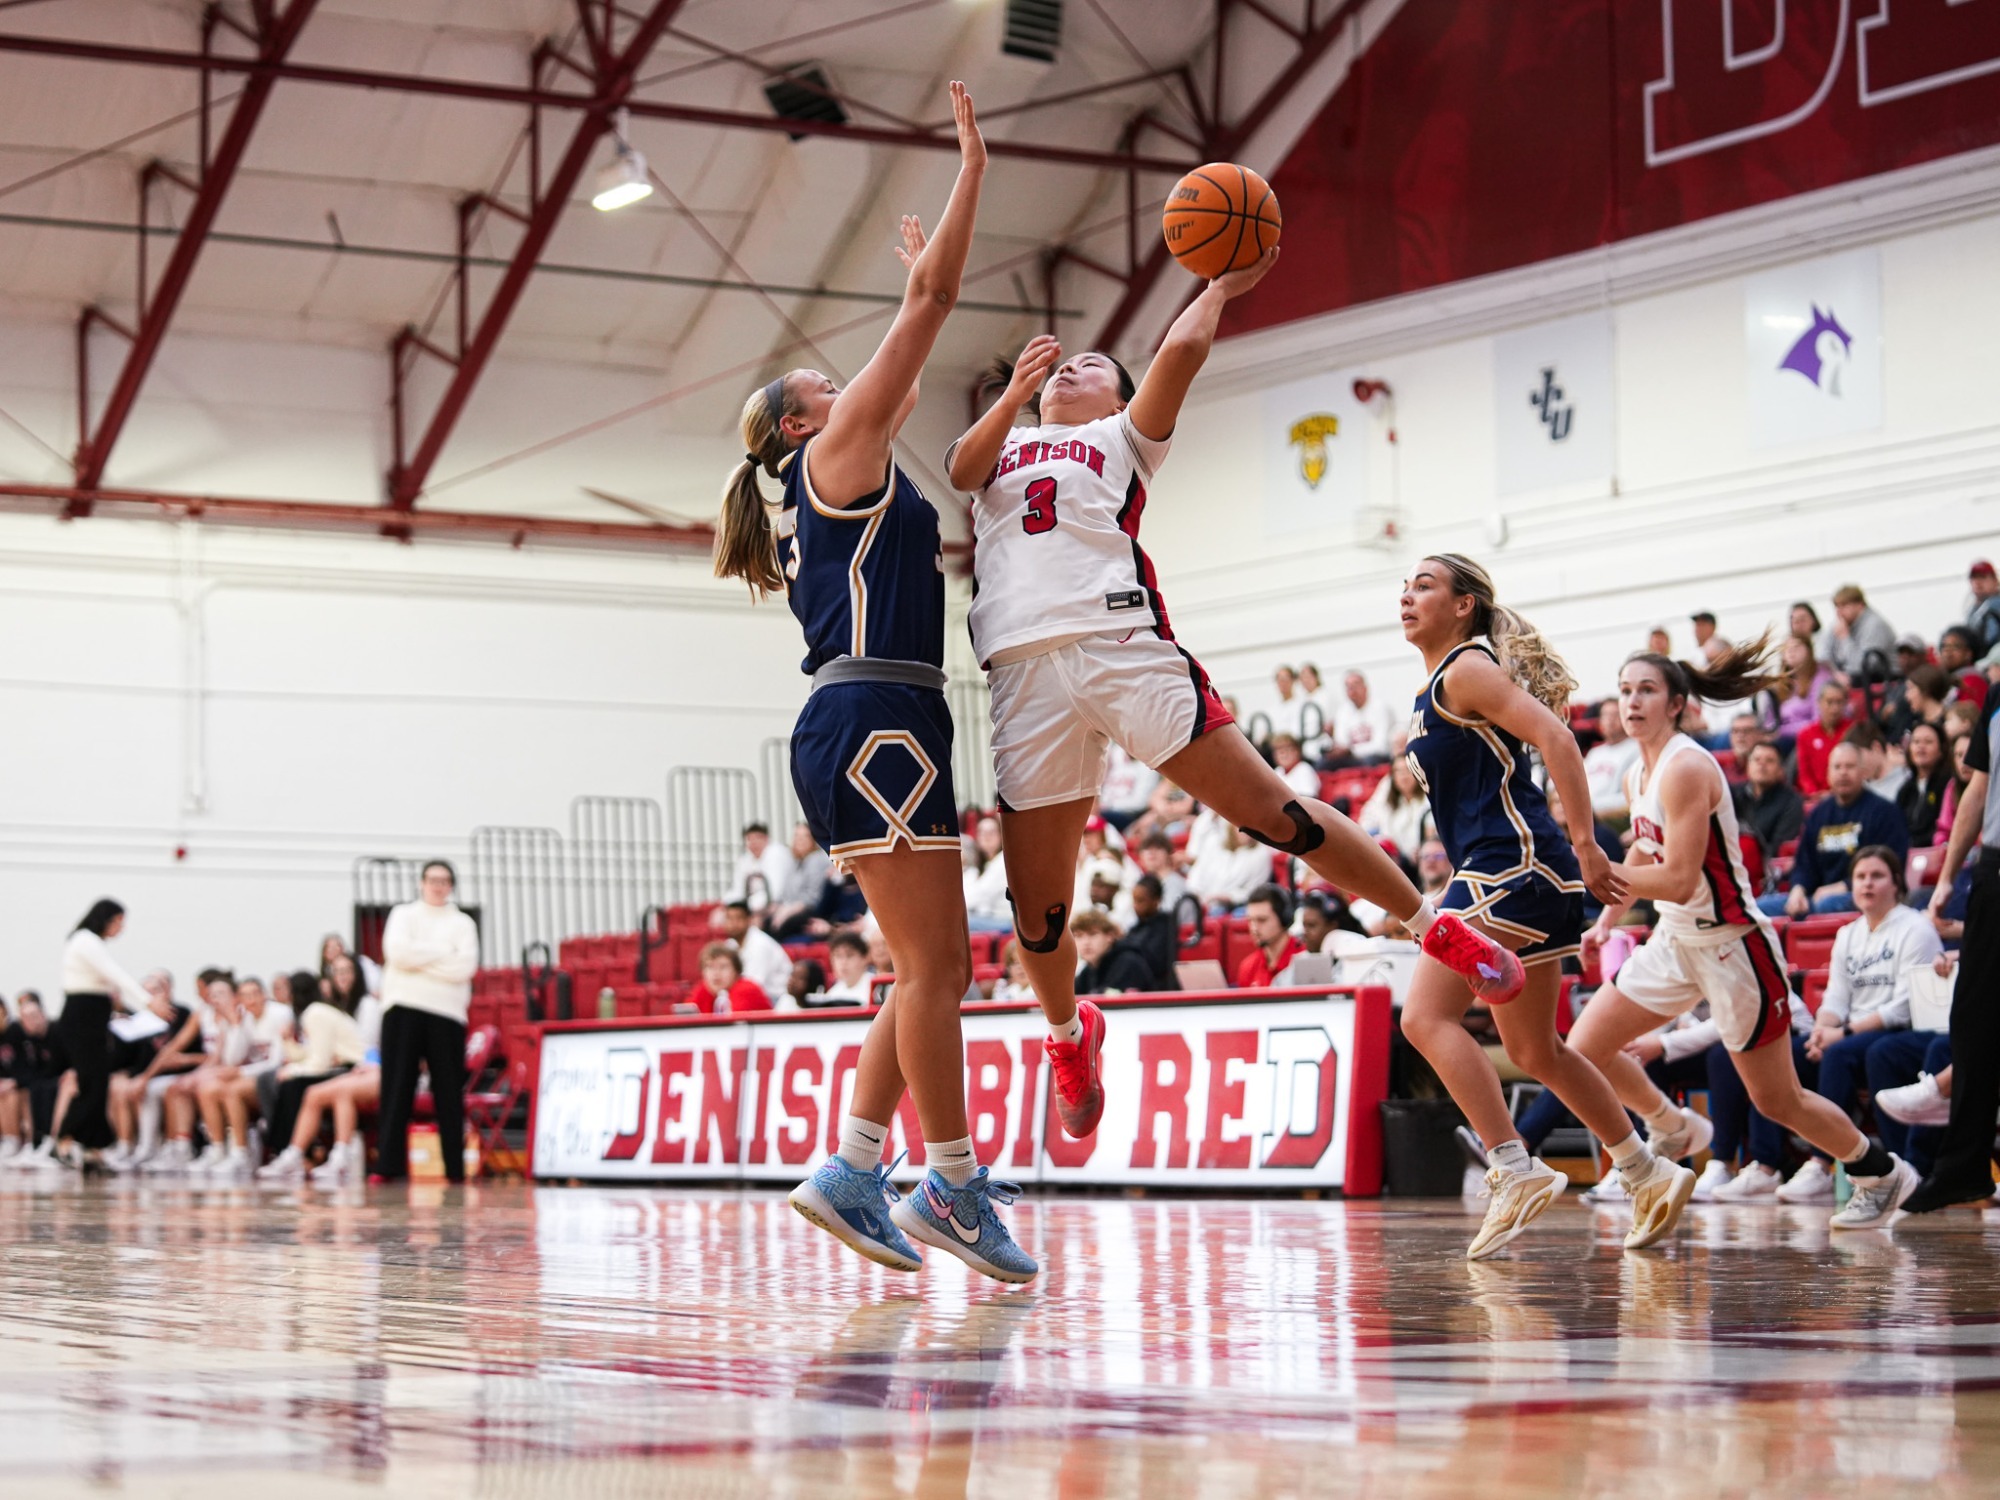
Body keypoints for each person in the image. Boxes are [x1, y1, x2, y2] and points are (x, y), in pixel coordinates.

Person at [945, 303, 1525, 1163]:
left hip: (1120, 649)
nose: (1072, 370)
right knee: (1037, 916)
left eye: (1093, 365)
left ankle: (1427, 921)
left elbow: (1180, 347)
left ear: (1119, 398)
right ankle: (1070, 1035)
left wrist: (1218, 278)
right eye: (1066, 366)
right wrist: (1015, 396)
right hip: (1024, 678)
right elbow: (959, 469)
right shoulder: (1004, 444)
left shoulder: (1122, 441)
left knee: (1277, 815)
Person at [714, 86, 1031, 1282]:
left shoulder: (829, 465)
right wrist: (970, 170)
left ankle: (855, 1165)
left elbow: (919, 321)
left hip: (872, 713)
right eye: (820, 387)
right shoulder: (838, 458)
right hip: (873, 715)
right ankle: (948, 1183)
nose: (841, 389)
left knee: (925, 968)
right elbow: (934, 303)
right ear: (802, 428)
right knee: (938, 972)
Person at [1397, 555, 1692, 1256]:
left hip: (1517, 866)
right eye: (1404, 587)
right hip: (1518, 871)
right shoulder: (1442, 681)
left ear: (1465, 605)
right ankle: (1645, 1170)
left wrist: (1589, 843)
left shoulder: (1465, 670)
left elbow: (1557, 737)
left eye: (1424, 585)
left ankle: (1512, 1166)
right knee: (1535, 1047)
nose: (1407, 597)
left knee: (1423, 1018)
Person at [1568, 644, 1920, 1230]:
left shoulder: (1686, 767)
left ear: (1677, 704)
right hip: (1676, 940)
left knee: (1776, 1100)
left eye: (1647, 690)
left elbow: (1679, 879)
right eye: (1625, 689)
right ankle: (1673, 1125)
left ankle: (1881, 1170)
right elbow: (1643, 849)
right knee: (1582, 1049)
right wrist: (1607, 916)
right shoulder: (1638, 771)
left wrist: (1601, 873)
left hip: (1733, 946)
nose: (1632, 700)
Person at [1771, 847, 1941, 1202]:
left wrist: (1841, 1034)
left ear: (1896, 883)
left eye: (1877, 876)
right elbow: (1836, 997)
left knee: (1849, 1054)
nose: (1867, 884)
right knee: (1780, 1054)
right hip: (1852, 1033)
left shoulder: (1916, 928)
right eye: (1861, 877)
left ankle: (1822, 1163)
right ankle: (1765, 1163)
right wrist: (1821, 1031)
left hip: (1903, 1030)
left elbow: (1903, 1006)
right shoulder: (1848, 934)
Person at [1903, 671, 2000, 1213]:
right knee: (1974, 1022)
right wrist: (1946, 877)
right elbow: (1978, 787)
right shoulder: (1998, 695)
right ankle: (1964, 1170)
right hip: (1993, 870)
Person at [374, 859, 480, 1185]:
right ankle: (389, 1166)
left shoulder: (463, 923)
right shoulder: (402, 915)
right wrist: (441, 952)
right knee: (396, 1089)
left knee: (448, 1092)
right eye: (432, 879)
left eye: (444, 880)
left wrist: (419, 960)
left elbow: (464, 968)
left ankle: (454, 1168)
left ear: (451, 886)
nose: (438, 885)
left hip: (447, 1014)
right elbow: (397, 954)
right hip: (402, 1007)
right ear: (421, 882)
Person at [52, 898, 152, 1167]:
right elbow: (115, 973)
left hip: (93, 1016)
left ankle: (91, 1147)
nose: (122, 928)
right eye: (119, 921)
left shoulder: (91, 943)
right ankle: (64, 1138)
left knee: (97, 1082)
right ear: (105, 919)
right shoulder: (85, 940)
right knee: (91, 1081)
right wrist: (148, 1001)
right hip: (81, 1017)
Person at [1763, 743, 1909, 916]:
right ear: (1828, 774)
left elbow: (1890, 866)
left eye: (1850, 766)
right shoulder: (1818, 814)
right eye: (1837, 767)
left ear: (1863, 772)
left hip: (1862, 895)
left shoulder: (1884, 812)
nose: (1843, 772)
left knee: (1827, 904)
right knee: (1761, 907)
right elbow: (1804, 865)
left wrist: (1843, 887)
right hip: (1816, 897)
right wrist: (1798, 890)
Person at [193, 974, 297, 1177]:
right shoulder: (243, 1016)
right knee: (207, 1090)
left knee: (232, 1090)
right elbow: (234, 1057)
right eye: (245, 996)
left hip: (279, 1074)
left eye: (255, 994)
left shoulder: (280, 1014)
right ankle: (217, 1149)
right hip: (254, 1074)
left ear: (264, 995)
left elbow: (276, 1061)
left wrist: (240, 1071)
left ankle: (240, 1153)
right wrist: (235, 1024)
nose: (251, 1000)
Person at [0, 992, 61, 1161]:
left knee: (29, 1091)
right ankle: (14, 1141)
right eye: (26, 1017)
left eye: (34, 1016)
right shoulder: (24, 1036)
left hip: (42, 1081)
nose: (30, 1021)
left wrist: (15, 1082)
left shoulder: (51, 1031)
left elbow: (35, 1067)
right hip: (32, 1081)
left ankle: (35, 1142)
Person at [1732, 741, 1805, 863]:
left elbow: (1778, 846)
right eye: (1756, 760)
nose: (1762, 764)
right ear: (1747, 767)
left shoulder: (1791, 802)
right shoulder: (1733, 795)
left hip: (1765, 867)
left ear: (1781, 770)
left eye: (1769, 761)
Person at [1358, 749, 1433, 860]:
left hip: (1420, 858)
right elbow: (1366, 820)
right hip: (1394, 857)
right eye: (1398, 771)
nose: (1403, 776)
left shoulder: (1428, 799)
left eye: (1408, 770)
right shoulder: (1387, 795)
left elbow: (1431, 836)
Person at [766, 822, 833, 941]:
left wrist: (787, 912)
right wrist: (779, 907)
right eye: (797, 836)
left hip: (811, 909)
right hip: (793, 907)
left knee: (782, 925)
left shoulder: (816, 859)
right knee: (767, 920)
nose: (799, 840)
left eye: (804, 836)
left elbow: (812, 897)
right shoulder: (796, 861)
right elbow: (786, 892)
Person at [1110, 874, 1178, 990]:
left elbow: (1152, 959)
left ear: (1156, 900)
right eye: (1134, 901)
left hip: (1156, 988)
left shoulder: (1166, 925)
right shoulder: (1135, 928)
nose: (1136, 906)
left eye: (1141, 901)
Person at [718, 899, 795, 999]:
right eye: (729, 919)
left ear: (749, 920)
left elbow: (754, 986)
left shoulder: (760, 944)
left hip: (777, 998)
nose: (733, 924)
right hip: (754, 996)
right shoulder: (730, 944)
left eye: (738, 918)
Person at [1582, 696, 1642, 821]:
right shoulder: (1594, 753)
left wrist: (1590, 808)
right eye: (1605, 715)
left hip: (1612, 818)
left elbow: (1633, 797)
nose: (1610, 720)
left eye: (1615, 715)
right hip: (1587, 815)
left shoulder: (1637, 750)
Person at [1234, 885, 1304, 989]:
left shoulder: (1305, 960)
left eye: (1262, 920)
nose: (1254, 928)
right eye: (1250, 920)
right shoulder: (1248, 967)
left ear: (1284, 919)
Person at [1826, 584, 1897, 683]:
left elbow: (1864, 665)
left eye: (1844, 606)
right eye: (1837, 607)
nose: (1839, 612)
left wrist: (1845, 639)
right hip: (1858, 679)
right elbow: (1825, 656)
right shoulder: (1844, 625)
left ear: (1860, 605)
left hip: (1881, 680)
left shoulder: (1874, 625)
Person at [1898, 721, 1953, 847]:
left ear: (1941, 750)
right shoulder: (1905, 790)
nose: (1921, 747)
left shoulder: (1948, 785)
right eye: (1916, 742)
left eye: (1928, 742)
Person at [1071, 909, 1151, 995]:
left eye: (1093, 934)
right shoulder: (1088, 971)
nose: (1086, 942)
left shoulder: (1128, 962)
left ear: (1110, 936)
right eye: (1079, 936)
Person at [1794, 679, 1853, 796]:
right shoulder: (1805, 734)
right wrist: (1816, 793)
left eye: (1839, 702)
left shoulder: (1853, 730)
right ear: (1819, 702)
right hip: (1816, 797)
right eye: (1830, 702)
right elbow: (1804, 774)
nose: (1835, 708)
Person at [1772, 635, 1834, 743]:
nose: (1791, 651)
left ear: (1809, 651)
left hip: (1811, 738)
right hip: (1786, 738)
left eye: (1797, 647)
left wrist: (1781, 731)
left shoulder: (1820, 677)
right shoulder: (1782, 683)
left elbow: (1818, 721)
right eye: (1786, 648)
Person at [1328, 671, 1396, 766]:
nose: (1352, 690)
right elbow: (1341, 743)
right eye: (1348, 687)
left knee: (1370, 761)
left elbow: (1381, 746)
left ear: (1365, 688)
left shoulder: (1380, 708)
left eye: (1355, 685)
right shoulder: (1342, 712)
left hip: (1376, 757)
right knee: (1324, 763)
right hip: (1352, 758)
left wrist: (1352, 750)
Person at [725, 822, 791, 914]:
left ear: (766, 839)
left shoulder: (775, 854)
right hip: (754, 906)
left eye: (757, 838)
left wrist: (746, 907)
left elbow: (775, 893)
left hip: (781, 904)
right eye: (750, 839)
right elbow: (738, 888)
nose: (754, 843)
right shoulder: (746, 859)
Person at [695, 944, 773, 1014]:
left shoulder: (746, 990)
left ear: (736, 971)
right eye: (710, 967)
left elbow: (733, 1026)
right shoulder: (703, 990)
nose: (716, 973)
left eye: (723, 967)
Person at [1940, 626, 1990, 709]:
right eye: (1944, 646)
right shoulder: (1949, 678)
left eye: (1956, 647)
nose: (1948, 652)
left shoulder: (1973, 680)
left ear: (1968, 653)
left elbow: (1969, 717)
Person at [821, 930, 876, 1005]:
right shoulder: (833, 993)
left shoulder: (876, 988)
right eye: (838, 956)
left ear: (865, 958)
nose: (843, 962)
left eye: (849, 955)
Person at [1271, 734, 1321, 798]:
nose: (1283, 754)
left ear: (1297, 751)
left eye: (1287, 749)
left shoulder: (1304, 769)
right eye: (1279, 751)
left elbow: (1309, 799)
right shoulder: (1278, 771)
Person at [1966, 560, 2000, 653]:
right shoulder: (1972, 609)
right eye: (1974, 578)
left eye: (1983, 577)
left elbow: (1989, 639)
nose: (1978, 582)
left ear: (1995, 580)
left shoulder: (1996, 605)